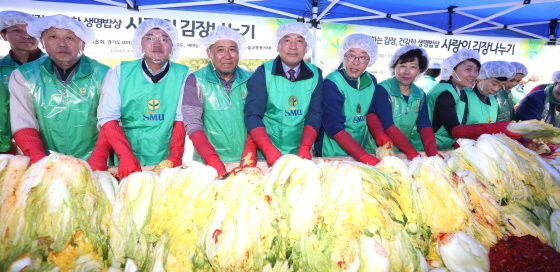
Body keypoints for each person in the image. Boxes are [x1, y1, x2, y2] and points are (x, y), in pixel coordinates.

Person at [9, 14, 109, 164]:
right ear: (42, 42)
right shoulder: (24, 75)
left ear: (82, 43)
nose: (62, 44)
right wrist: (39, 160)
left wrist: (98, 157)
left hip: (94, 162)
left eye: (70, 38)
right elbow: (22, 121)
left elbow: (109, 121)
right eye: (53, 37)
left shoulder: (104, 74)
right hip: (44, 161)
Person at [97, 18, 190, 179]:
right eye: (150, 38)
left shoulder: (183, 74)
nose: (157, 44)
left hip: (163, 154)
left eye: (164, 39)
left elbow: (181, 118)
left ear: (173, 44)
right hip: (124, 155)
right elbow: (108, 117)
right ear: (139, 42)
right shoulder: (121, 71)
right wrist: (125, 155)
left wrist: (175, 154)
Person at [244, 21, 323, 166]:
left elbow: (315, 113)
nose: (293, 46)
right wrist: (267, 148)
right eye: (287, 40)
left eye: (299, 41)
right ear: (278, 45)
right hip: (267, 150)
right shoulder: (263, 72)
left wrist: (305, 146)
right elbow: (252, 115)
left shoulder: (315, 74)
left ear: (307, 46)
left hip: (301, 150)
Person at [182, 26, 255, 177]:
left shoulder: (252, 79)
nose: (227, 56)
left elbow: (260, 118)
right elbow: (192, 123)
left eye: (232, 49)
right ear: (209, 52)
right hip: (207, 164)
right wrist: (212, 159)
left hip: (249, 161)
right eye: (221, 50)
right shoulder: (195, 80)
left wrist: (250, 151)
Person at [426, 49, 520, 149]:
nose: (474, 74)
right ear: (452, 70)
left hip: (442, 147)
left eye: (476, 70)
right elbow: (454, 130)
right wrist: (492, 128)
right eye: (468, 69)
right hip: (428, 147)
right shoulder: (445, 93)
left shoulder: (457, 91)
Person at [318, 33, 381, 165]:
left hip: (357, 147)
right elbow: (334, 126)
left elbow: (370, 112)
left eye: (363, 57)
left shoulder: (371, 81)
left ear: (370, 60)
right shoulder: (333, 83)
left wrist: (380, 134)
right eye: (351, 55)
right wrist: (363, 156)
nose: (356, 62)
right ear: (343, 56)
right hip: (332, 151)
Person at [368, 45, 439, 160]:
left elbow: (424, 125)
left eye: (413, 67)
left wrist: (432, 152)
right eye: (402, 66)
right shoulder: (383, 89)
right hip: (379, 150)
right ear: (394, 67)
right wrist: (411, 151)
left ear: (419, 70)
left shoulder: (420, 94)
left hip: (403, 150)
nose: (407, 72)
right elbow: (388, 125)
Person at [0, 11, 44, 154]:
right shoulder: (1, 69)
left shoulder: (55, 67)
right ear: (3, 35)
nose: (26, 35)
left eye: (31, 30)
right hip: (7, 148)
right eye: (16, 30)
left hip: (49, 145)